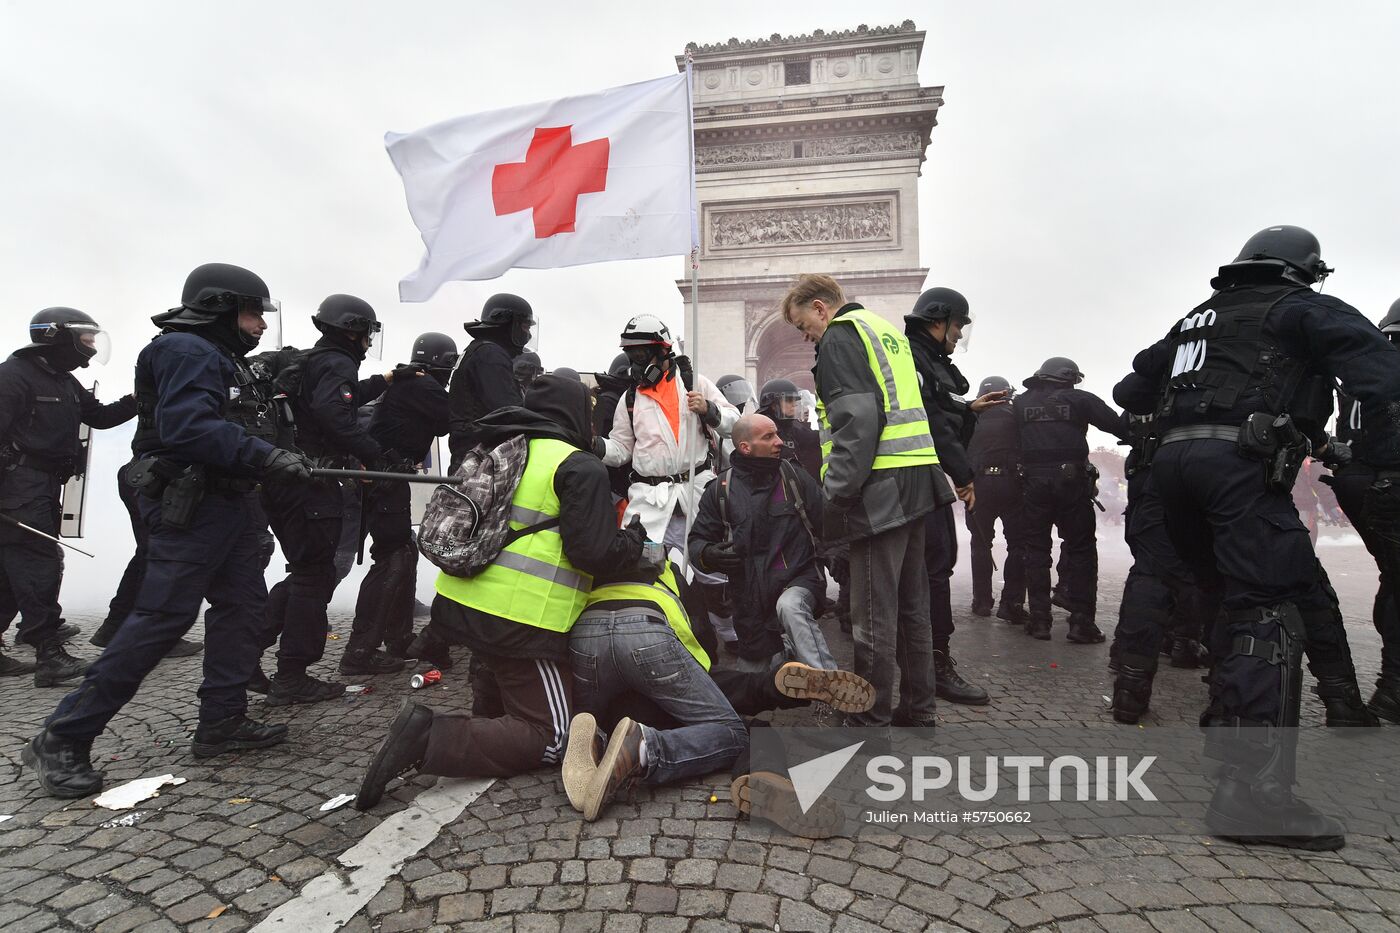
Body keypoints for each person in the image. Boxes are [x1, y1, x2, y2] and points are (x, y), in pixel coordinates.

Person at [1114, 225, 1400, 850]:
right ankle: (1253, 794)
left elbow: (1130, 390)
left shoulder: (1196, 317)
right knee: (1266, 612)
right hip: (1237, 471)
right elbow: (1384, 375)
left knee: (1234, 598)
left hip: (1173, 471)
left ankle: (1246, 722)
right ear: (1305, 269)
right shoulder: (1302, 309)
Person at [24, 263, 310, 798]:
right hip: (193, 500)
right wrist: (266, 455)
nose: (260, 325)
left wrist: (273, 453)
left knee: (242, 607)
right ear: (221, 306)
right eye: (253, 313)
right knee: (162, 617)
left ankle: (222, 721)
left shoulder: (218, 357)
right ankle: (63, 736)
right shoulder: (187, 350)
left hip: (228, 500)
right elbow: (188, 428)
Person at [353, 375, 649, 809]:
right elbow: (593, 552)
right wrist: (635, 544)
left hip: (461, 603)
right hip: (520, 619)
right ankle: (427, 738)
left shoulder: (504, 447)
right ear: (575, 413)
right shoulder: (577, 464)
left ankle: (488, 709)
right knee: (553, 738)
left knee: (496, 679)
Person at [560, 558, 874, 826]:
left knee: (660, 705)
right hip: (651, 649)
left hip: (593, 657)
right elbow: (704, 643)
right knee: (740, 730)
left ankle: (598, 740)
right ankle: (646, 750)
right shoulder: (667, 569)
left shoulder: (591, 566)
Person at [782, 274, 950, 728]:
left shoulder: (839, 337)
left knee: (872, 611)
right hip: (917, 477)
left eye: (803, 325)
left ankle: (867, 714)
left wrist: (835, 495)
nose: (805, 336)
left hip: (880, 489)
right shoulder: (884, 331)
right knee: (913, 607)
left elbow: (856, 424)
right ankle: (919, 706)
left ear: (820, 308)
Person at [260, 294, 393, 701]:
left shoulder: (313, 361)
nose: (369, 343)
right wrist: (378, 455)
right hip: (314, 480)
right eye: (367, 334)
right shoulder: (337, 363)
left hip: (285, 475)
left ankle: (244, 658)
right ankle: (292, 675)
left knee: (303, 571)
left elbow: (336, 396)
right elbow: (335, 415)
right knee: (315, 576)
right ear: (352, 331)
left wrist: (385, 381)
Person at [0, 308, 136, 685]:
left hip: (42, 484)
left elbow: (99, 417)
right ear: (58, 337)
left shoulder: (63, 379)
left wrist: (138, 399)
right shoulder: (12, 376)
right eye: (86, 339)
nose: (90, 347)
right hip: (17, 487)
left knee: (9, 577)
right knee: (38, 565)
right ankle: (49, 656)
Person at [904, 287, 1003, 705]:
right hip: (915, 479)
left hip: (912, 478)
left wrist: (968, 410)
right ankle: (933, 666)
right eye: (958, 323)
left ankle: (924, 664)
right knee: (934, 571)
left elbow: (943, 410)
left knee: (927, 572)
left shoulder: (922, 357)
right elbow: (931, 420)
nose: (960, 333)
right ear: (938, 319)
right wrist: (963, 477)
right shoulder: (916, 358)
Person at [689, 414, 835, 672]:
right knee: (752, 679)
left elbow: (830, 527)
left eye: (777, 434)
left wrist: (839, 562)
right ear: (745, 447)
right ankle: (785, 663)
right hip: (750, 602)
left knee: (790, 608)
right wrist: (709, 554)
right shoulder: (720, 489)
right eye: (769, 437)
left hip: (798, 581)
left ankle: (830, 686)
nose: (779, 442)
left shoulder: (794, 478)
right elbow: (697, 542)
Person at [344, 333, 455, 668]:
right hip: (385, 478)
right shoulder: (424, 387)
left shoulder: (410, 383)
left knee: (402, 551)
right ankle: (360, 651)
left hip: (386, 478)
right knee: (394, 556)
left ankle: (398, 639)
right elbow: (451, 421)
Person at [599, 314, 739, 551]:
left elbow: (735, 425)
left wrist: (709, 410)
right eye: (631, 356)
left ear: (663, 351)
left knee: (712, 571)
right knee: (642, 571)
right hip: (649, 503)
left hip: (697, 497)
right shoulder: (630, 398)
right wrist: (593, 444)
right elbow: (621, 449)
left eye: (641, 356)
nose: (636, 364)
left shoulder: (696, 384)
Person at [1014, 357, 1127, 643]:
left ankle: (1039, 621)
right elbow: (1119, 427)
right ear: (1069, 378)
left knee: (1036, 550)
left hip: (1033, 484)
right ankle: (1081, 624)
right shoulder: (1081, 399)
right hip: (1072, 484)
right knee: (1081, 551)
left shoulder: (1020, 403)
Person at [1325, 297, 1400, 722]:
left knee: (1393, 575)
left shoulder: (1360, 368)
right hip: (1389, 478)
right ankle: (1393, 689)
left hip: (1355, 479)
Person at [88, 456, 204, 658]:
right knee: (159, 554)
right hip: (154, 475)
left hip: (148, 472)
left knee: (147, 552)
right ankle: (154, 636)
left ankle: (115, 626)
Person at [963, 376, 1027, 623]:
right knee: (1018, 544)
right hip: (1013, 484)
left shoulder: (971, 416)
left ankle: (981, 602)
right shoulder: (1017, 415)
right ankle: (1011, 603)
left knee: (980, 544)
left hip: (979, 487)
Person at [447, 294, 533, 470]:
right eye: (524, 326)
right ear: (508, 323)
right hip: (478, 460)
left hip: (468, 455)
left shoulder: (478, 349)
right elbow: (508, 410)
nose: (528, 334)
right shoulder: (490, 354)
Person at [756, 378, 822, 481]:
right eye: (789, 400)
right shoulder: (758, 428)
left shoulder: (791, 425)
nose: (794, 404)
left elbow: (812, 438)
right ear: (774, 405)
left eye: (795, 401)